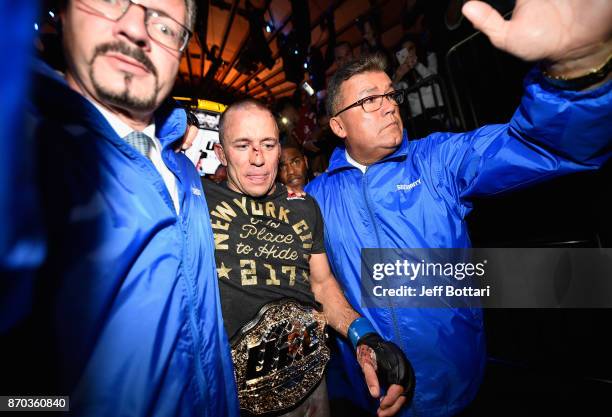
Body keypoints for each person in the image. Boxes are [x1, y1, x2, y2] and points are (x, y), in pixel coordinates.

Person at [305, 1, 612, 416]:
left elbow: (540, 146)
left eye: (390, 95)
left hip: (458, 385)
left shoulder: (438, 161)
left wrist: (576, 70)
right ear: (338, 126)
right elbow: (315, 285)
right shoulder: (315, 197)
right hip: (374, 397)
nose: (389, 105)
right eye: (368, 100)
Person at [2, 0, 239, 416]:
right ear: (62, 11)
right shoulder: (23, 154)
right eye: (111, 0)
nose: (135, 28)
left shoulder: (183, 171)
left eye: (165, 25)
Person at [203, 99, 414, 417]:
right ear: (221, 153)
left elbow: (322, 284)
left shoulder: (303, 206)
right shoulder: (199, 202)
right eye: (243, 145)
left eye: (268, 144)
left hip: (313, 388)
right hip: (235, 400)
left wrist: (363, 336)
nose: (258, 159)